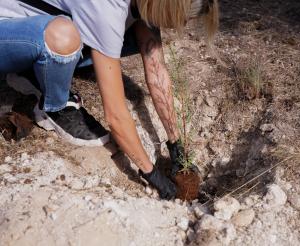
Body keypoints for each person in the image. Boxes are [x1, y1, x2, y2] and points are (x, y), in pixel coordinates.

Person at [0, 0, 219, 199]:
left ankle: (37, 68)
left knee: (127, 37)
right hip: (8, 31)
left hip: (36, 26)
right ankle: (55, 106)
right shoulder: (108, 9)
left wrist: (175, 145)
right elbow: (115, 115)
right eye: (183, 18)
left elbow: (156, 69)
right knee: (63, 37)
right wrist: (151, 174)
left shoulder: (145, 4)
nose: (183, 24)